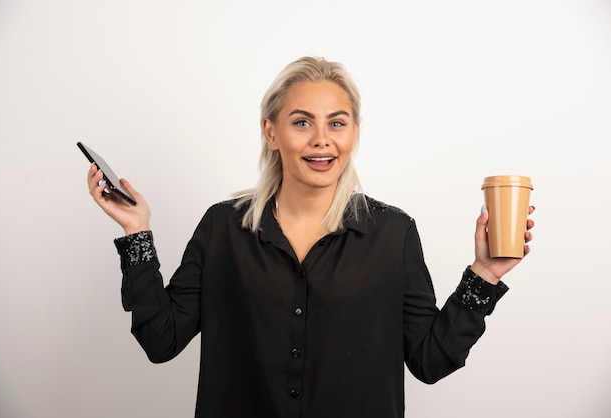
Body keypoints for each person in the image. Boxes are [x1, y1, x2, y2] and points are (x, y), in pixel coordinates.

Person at [86, 56, 535, 418]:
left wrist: (485, 274)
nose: (322, 140)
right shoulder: (222, 228)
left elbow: (430, 361)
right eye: (302, 122)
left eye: (337, 123)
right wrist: (136, 233)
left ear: (354, 133)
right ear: (272, 132)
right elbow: (161, 341)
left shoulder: (394, 233)